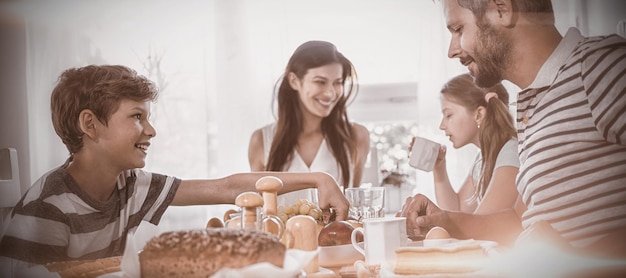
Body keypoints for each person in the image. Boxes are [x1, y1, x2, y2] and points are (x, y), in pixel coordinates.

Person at [0, 65, 350, 273]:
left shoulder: (131, 184)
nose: (151, 130)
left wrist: (318, 177)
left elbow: (228, 187)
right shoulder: (47, 207)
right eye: (137, 117)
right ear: (90, 125)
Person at [401, 0, 626, 259]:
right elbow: (519, 220)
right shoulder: (531, 104)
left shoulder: (601, 66)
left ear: (502, 9)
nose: (452, 50)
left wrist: (578, 263)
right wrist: (445, 220)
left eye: (458, 29)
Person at [248, 40, 370, 205]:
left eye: (337, 82)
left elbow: (353, 206)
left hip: (336, 232)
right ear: (294, 81)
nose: (330, 93)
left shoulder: (357, 136)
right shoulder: (261, 140)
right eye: (320, 82)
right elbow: (260, 208)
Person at [417, 73, 518, 215]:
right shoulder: (483, 159)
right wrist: (439, 169)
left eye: (449, 115)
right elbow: (458, 210)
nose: (442, 125)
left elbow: (481, 223)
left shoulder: (511, 153)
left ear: (478, 115)